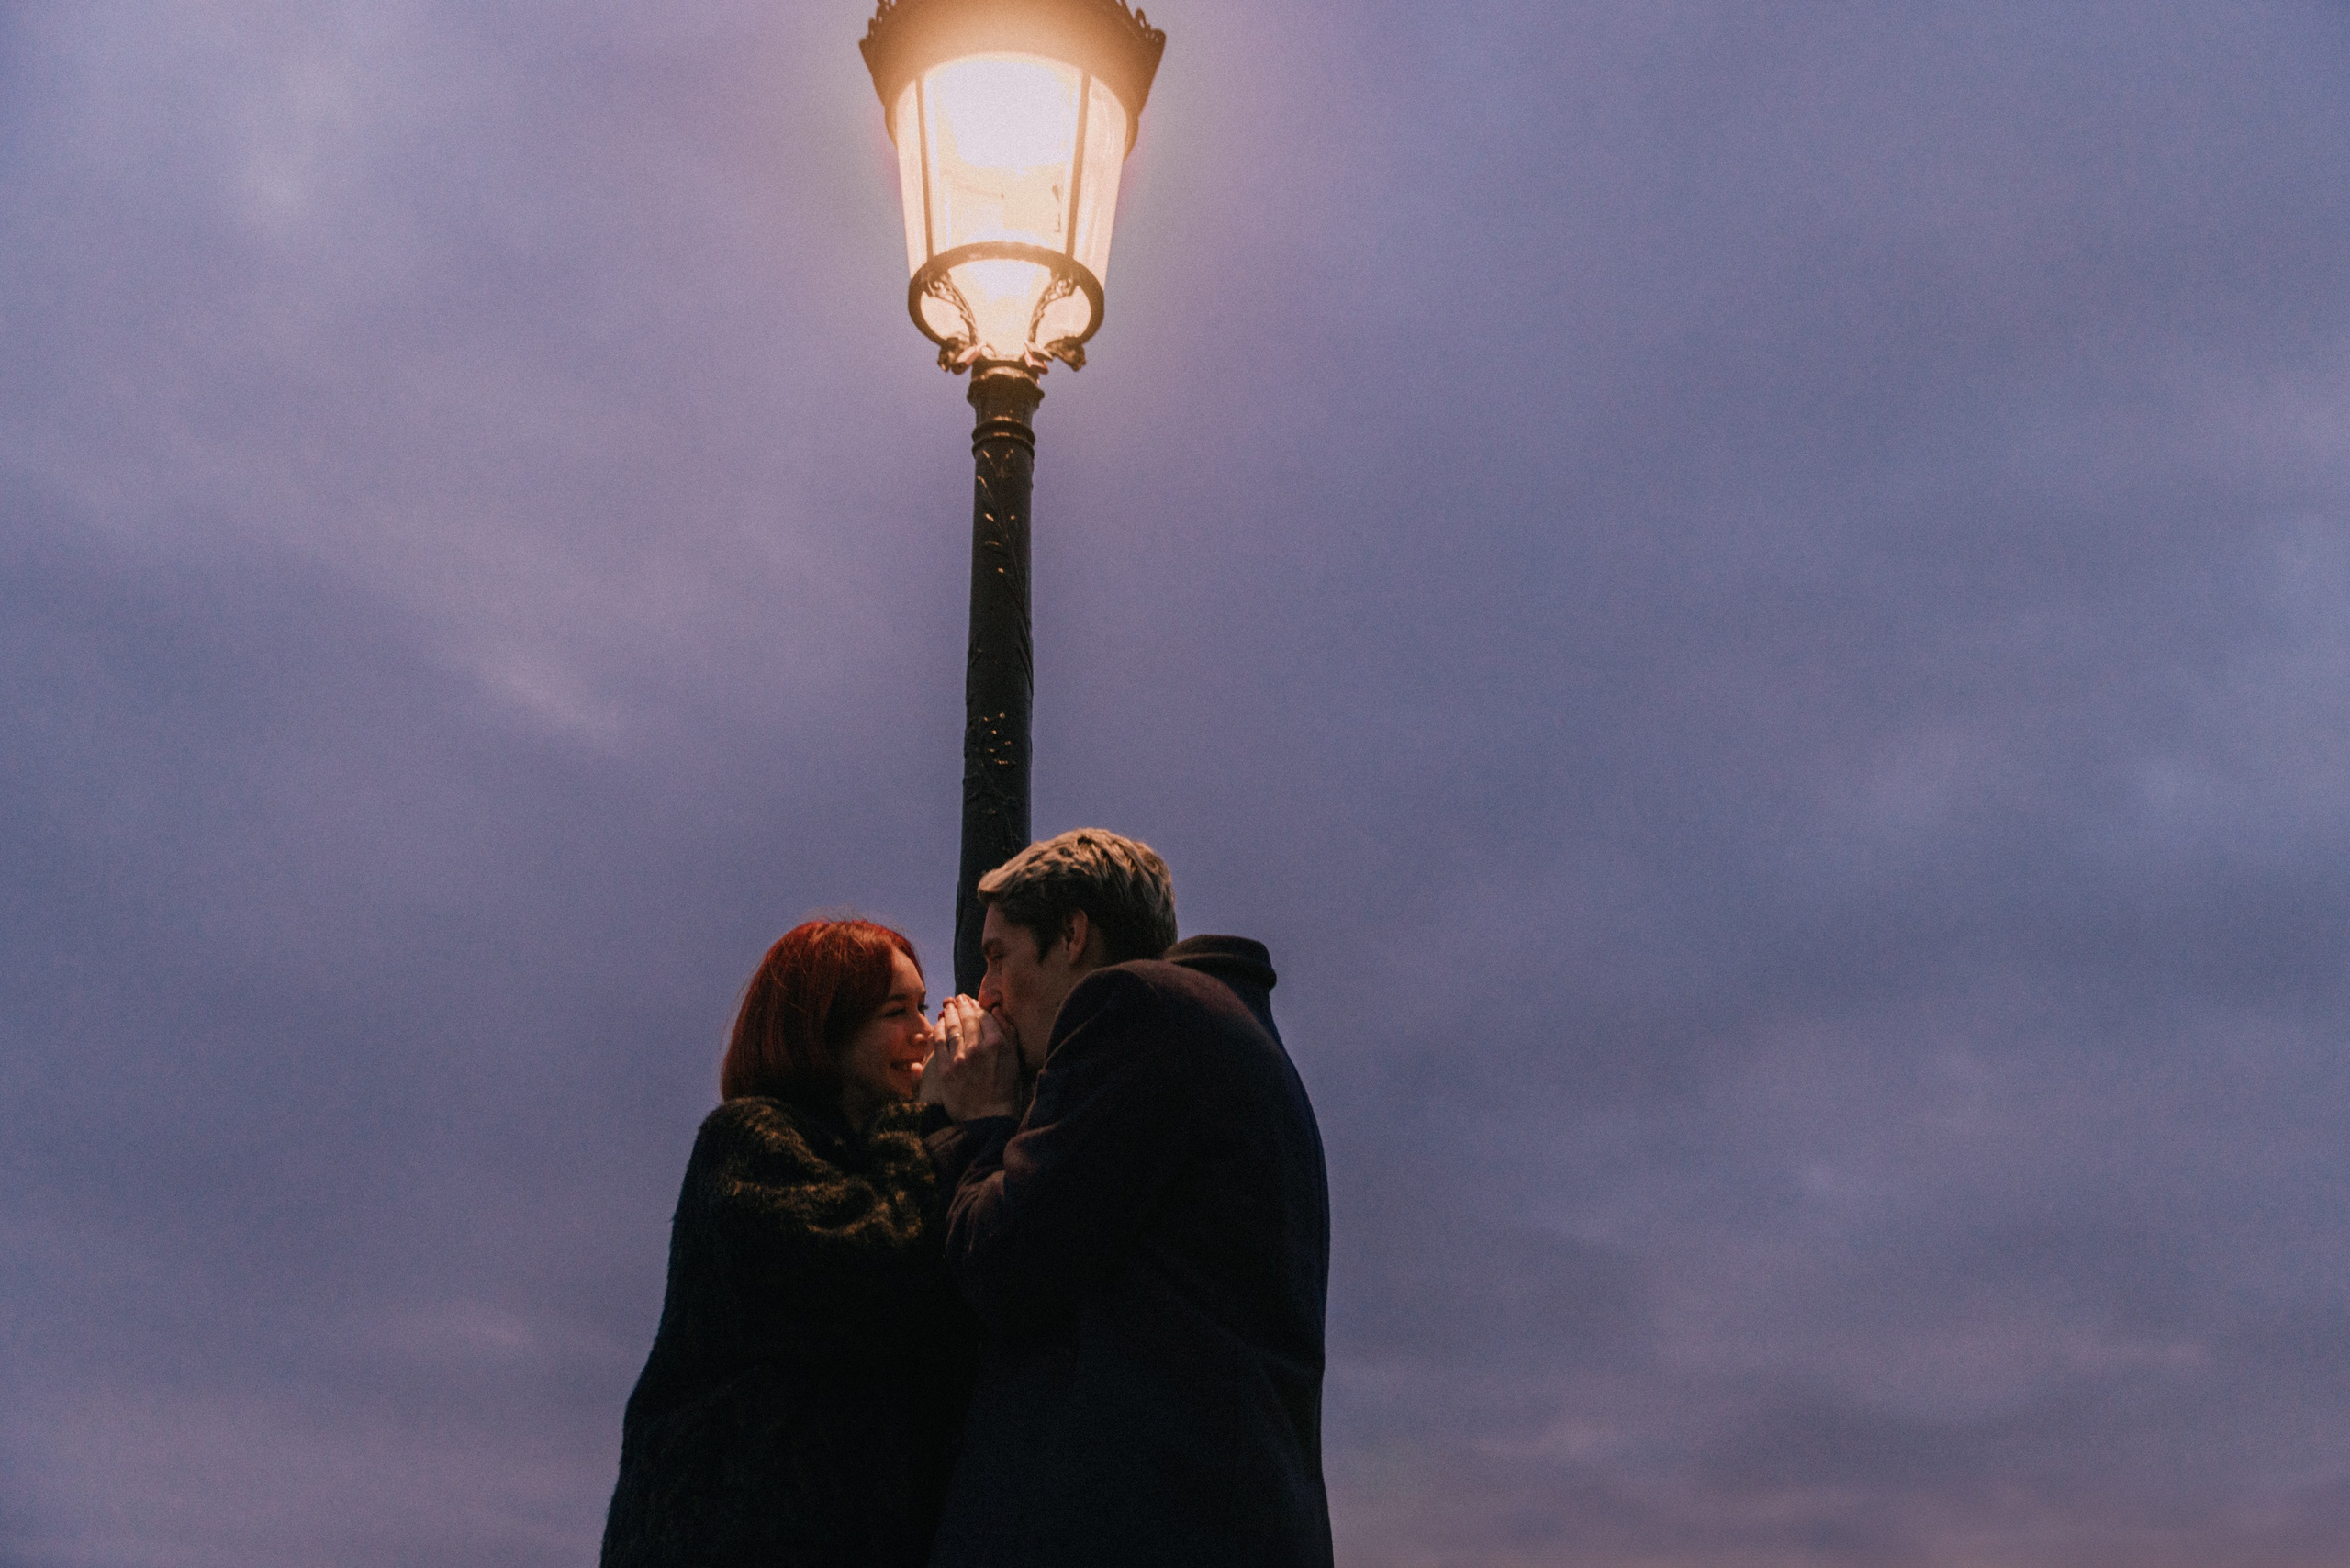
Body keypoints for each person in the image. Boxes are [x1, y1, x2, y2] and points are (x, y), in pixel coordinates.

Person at [923, 829, 1334, 1568]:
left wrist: (975, 1120)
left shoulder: (1132, 1010)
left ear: (1072, 934)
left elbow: (1005, 1263)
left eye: (997, 956)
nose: (984, 993)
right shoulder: (1226, 1036)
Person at [599, 919, 976, 1568]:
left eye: (922, 1005)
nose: (924, 1032)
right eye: (896, 1011)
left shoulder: (885, 1152)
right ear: (823, 1028)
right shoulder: (746, 1142)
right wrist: (919, 1122)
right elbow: (878, 1265)